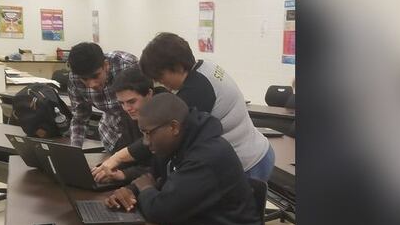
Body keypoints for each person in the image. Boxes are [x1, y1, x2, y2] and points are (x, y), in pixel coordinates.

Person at [94, 32, 275, 182]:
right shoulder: (205, 67)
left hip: (249, 161)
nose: (159, 81)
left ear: (178, 66)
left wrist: (116, 158)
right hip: (252, 151)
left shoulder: (196, 90)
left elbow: (158, 138)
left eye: (160, 75)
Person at [104, 93, 265, 225]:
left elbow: (161, 210)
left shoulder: (207, 156)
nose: (145, 142)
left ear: (174, 127)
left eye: (148, 133)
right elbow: (154, 176)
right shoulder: (175, 143)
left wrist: (144, 189)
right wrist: (131, 189)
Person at [66, 42, 138, 153]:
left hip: (138, 133)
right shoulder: (75, 77)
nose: (92, 85)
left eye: (95, 76)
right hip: (110, 136)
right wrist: (74, 152)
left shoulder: (127, 65)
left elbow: (147, 107)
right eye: (84, 79)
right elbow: (79, 119)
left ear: (106, 65)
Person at [107, 68, 168, 181]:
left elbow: (161, 167)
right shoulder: (129, 115)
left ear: (149, 93)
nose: (126, 108)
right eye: (122, 103)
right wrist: (105, 169)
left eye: (131, 102)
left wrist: (125, 175)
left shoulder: (167, 115)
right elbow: (122, 150)